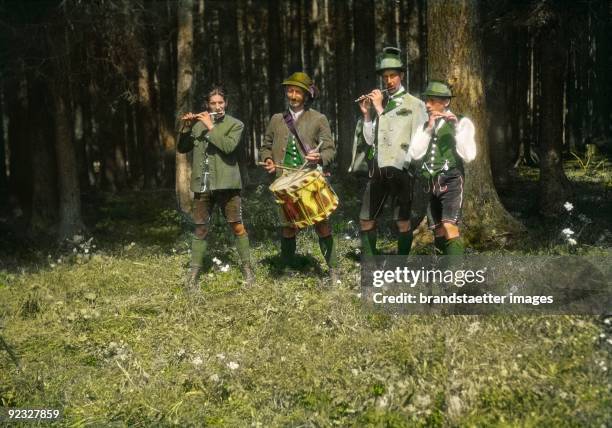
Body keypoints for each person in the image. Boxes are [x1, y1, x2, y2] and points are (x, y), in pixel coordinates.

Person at [259, 72, 338, 283]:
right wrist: (267, 159)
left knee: (321, 224)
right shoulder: (277, 119)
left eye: (297, 92)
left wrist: (319, 156)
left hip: (309, 178)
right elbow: (266, 146)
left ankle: (333, 271)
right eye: (290, 90)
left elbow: (330, 149)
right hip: (283, 180)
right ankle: (287, 269)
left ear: (306, 95)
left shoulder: (318, 119)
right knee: (288, 227)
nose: (292, 95)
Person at [349, 47, 428, 256]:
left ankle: (400, 269)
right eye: (386, 77)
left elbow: (420, 141)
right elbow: (370, 140)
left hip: (401, 170)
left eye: (393, 75)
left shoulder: (415, 105)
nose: (389, 81)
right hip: (377, 170)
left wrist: (380, 110)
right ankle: (371, 267)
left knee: (402, 222)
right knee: (366, 218)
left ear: (401, 75)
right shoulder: (380, 104)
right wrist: (367, 115)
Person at [177, 85, 253, 292]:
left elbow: (228, 146)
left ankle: (247, 270)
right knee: (200, 228)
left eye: (221, 103)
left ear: (226, 104)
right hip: (203, 185)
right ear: (207, 105)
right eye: (213, 103)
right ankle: (193, 276)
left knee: (237, 226)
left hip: (228, 185)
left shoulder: (236, 124)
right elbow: (182, 148)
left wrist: (210, 126)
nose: (217, 106)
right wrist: (186, 127)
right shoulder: (198, 125)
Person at [407, 80, 476, 255]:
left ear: (445, 102)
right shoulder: (425, 125)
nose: (427, 105)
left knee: (449, 225)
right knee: (437, 229)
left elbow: (469, 155)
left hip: (452, 179)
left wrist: (456, 129)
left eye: (432, 101)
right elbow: (415, 153)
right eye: (426, 100)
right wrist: (429, 129)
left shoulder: (462, 122)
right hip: (430, 182)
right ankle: (444, 274)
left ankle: (455, 278)